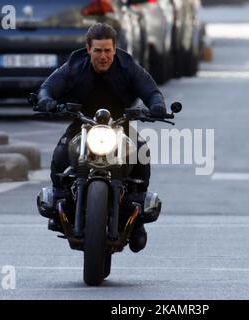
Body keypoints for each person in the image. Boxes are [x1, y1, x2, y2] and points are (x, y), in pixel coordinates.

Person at [34, 23, 167, 253]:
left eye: (107, 50)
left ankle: (138, 220)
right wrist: (46, 100)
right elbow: (48, 87)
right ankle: (58, 205)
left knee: (142, 153)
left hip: (120, 126)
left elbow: (151, 91)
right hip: (82, 124)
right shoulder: (74, 67)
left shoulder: (128, 67)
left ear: (115, 49)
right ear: (88, 49)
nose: (103, 56)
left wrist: (156, 106)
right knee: (60, 153)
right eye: (98, 50)